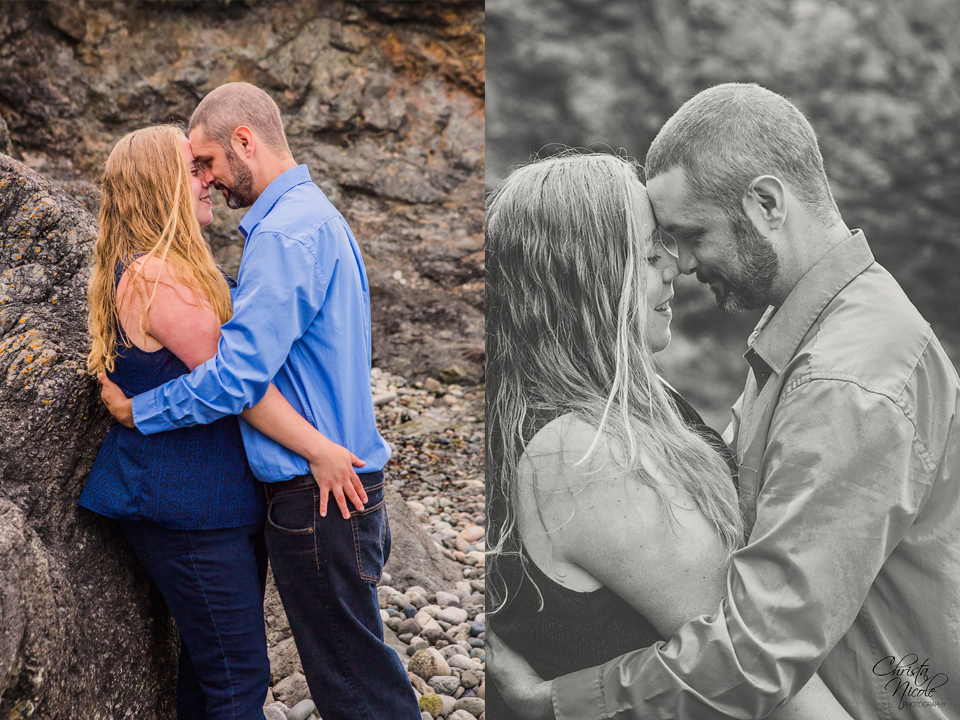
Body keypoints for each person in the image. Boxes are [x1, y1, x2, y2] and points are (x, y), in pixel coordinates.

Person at [488, 84, 960, 719]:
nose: (681, 264)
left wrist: (552, 704)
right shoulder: (812, 338)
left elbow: (760, 654)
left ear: (766, 203)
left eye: (689, 235)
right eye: (656, 247)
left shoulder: (845, 381)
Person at [485, 151, 853, 720]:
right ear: (589, 277)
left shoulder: (620, 401)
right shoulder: (586, 454)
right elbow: (754, 671)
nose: (675, 267)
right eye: (649, 251)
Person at [98, 83, 420, 720]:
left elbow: (237, 379)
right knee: (346, 667)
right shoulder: (316, 217)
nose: (208, 180)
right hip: (332, 481)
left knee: (352, 681)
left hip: (319, 487)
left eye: (208, 162)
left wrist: (142, 411)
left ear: (244, 141)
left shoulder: (283, 235)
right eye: (194, 169)